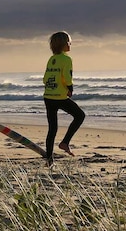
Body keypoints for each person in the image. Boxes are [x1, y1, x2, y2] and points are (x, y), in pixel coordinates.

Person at [42, 30, 86, 166]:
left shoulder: (52, 59)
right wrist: (70, 88)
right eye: (69, 42)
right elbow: (67, 76)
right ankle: (65, 142)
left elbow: (45, 79)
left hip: (48, 97)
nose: (70, 44)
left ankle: (49, 159)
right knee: (80, 116)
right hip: (60, 97)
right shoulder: (66, 59)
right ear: (64, 44)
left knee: (52, 128)